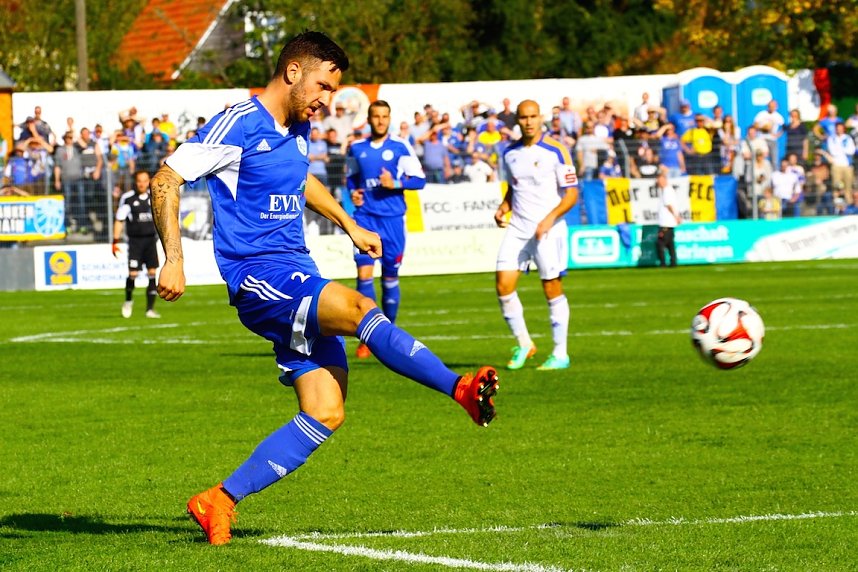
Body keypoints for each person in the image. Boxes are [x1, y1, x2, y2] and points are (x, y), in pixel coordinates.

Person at [148, 31, 499, 546]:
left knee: (326, 411)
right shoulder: (238, 123)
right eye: (322, 86)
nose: (326, 101)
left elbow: (301, 181)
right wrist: (175, 260)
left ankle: (218, 500)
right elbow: (165, 180)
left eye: (332, 92)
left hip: (296, 270)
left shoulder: (296, 129)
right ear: (293, 72)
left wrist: (349, 223)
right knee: (360, 306)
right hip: (260, 277)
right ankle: (458, 388)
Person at [493, 100, 578, 371]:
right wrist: (504, 206)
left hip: (548, 230)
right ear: (517, 120)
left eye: (533, 116)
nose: (529, 121)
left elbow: (572, 194)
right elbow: (514, 188)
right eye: (523, 117)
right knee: (503, 286)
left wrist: (549, 219)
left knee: (551, 288)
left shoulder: (557, 151)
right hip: (518, 228)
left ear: (540, 118)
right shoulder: (509, 153)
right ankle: (524, 343)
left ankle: (560, 353)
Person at [346, 100, 427, 358]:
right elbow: (351, 178)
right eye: (376, 116)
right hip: (365, 219)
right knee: (364, 276)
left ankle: (387, 332)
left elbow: (420, 180)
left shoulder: (400, 146)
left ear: (389, 119)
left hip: (392, 221)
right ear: (369, 119)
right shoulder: (357, 148)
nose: (380, 120)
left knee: (390, 278)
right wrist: (353, 194)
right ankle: (368, 337)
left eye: (384, 116)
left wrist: (395, 183)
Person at [114, 170, 160, 319]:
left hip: (151, 240)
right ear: (135, 182)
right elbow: (119, 219)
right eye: (139, 181)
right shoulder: (128, 199)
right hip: (135, 242)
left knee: (152, 273)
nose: (142, 184)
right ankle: (128, 300)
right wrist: (115, 241)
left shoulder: (154, 197)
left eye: (145, 181)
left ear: (149, 181)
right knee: (133, 274)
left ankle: (150, 309)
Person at [655, 168, 681, 267]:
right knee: (670, 244)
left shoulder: (667, 190)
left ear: (664, 179)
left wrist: (676, 216)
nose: (658, 182)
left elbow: (669, 205)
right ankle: (673, 262)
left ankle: (663, 263)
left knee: (660, 243)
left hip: (666, 222)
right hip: (669, 222)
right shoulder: (668, 190)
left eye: (659, 179)